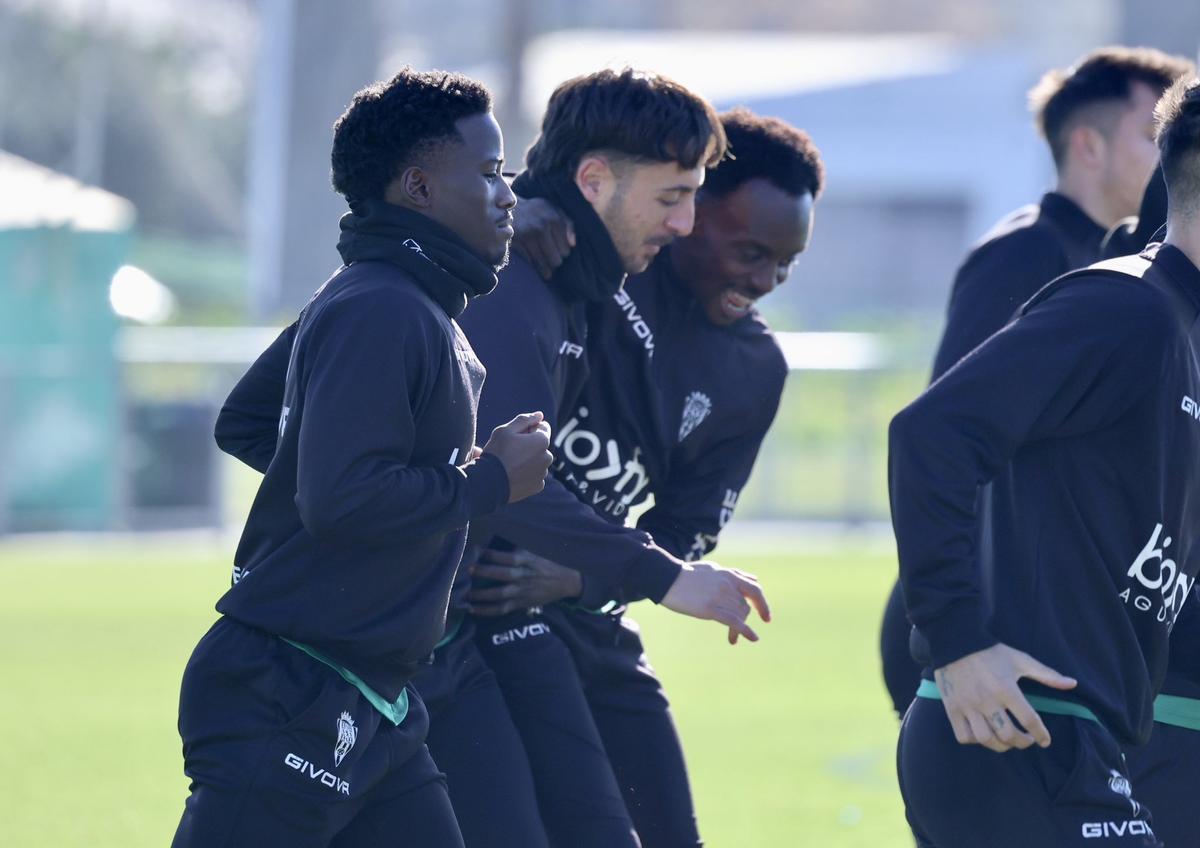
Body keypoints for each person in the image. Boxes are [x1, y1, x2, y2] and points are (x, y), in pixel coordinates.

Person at [174, 68, 553, 848]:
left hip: (373, 699)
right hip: (288, 687)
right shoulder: (382, 306)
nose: (508, 194)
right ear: (417, 186)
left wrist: (416, 479)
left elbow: (251, 425)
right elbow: (341, 498)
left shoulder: (385, 294)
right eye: (487, 172)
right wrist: (484, 481)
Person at [467, 107, 823, 847]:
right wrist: (523, 207)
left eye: (785, 265)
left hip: (596, 611)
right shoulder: (596, 265)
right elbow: (541, 190)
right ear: (691, 208)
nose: (763, 281)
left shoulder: (757, 370)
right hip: (491, 610)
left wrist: (577, 578)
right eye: (751, 251)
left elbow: (685, 530)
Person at [888, 75, 1200, 847]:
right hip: (1019, 729)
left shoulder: (1180, 328)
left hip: (1077, 735)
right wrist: (957, 646)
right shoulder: (1128, 309)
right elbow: (931, 436)